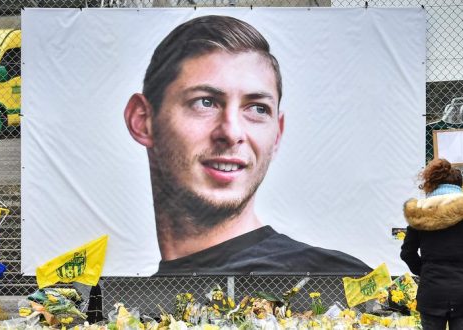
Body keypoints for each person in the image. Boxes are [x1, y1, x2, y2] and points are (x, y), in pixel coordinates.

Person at [123, 15, 371, 275]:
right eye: (204, 102)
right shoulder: (136, 302)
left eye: (257, 108)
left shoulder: (336, 281)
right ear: (142, 121)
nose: (231, 133)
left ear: (277, 135)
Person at [400, 158, 463, 330]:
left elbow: (407, 253)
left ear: (432, 184)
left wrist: (425, 270)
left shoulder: (420, 215)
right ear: (460, 185)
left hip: (431, 290)